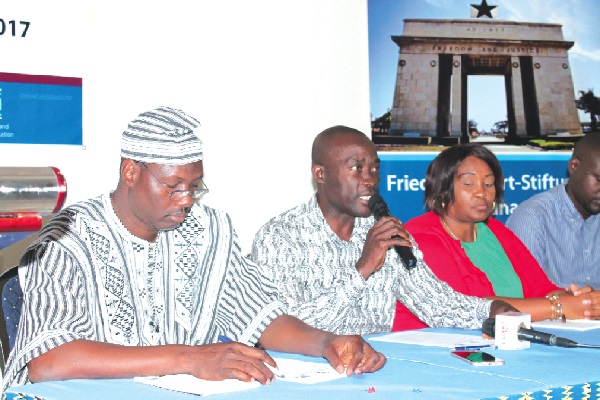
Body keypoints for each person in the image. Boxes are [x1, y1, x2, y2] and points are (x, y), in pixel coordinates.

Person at [3, 108, 385, 391]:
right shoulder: (66, 236)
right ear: (130, 172)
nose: (186, 200)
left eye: (195, 186)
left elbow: (261, 315)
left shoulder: (210, 228)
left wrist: (327, 341)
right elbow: (48, 362)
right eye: (173, 186)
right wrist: (189, 358)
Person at [251, 126, 515, 336]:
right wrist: (362, 269)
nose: (370, 180)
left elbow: (437, 304)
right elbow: (287, 331)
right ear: (320, 174)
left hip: (374, 371)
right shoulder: (280, 237)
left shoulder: (384, 231)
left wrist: (491, 310)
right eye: (356, 168)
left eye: (374, 169)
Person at [392, 143, 600, 331]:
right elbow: (469, 306)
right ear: (442, 191)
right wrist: (558, 307)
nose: (482, 193)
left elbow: (541, 288)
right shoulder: (420, 237)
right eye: (469, 184)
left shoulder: (495, 231)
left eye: (489, 184)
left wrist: (581, 300)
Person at [506, 134, 600, 288]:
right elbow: (527, 294)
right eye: (599, 180)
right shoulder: (531, 218)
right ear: (574, 166)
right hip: (553, 310)